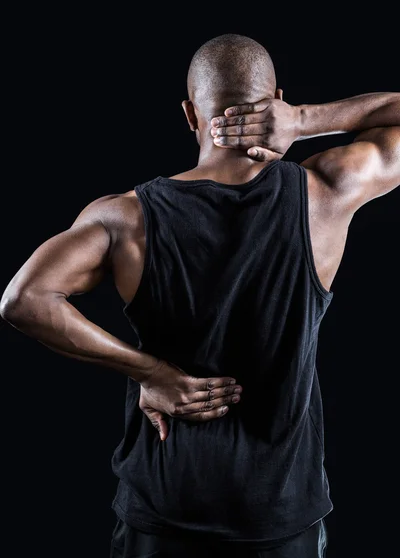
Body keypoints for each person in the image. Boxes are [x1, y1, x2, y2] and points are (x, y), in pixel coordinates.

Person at [1, 33, 399, 558]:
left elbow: (24, 299)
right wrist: (303, 120)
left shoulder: (126, 217)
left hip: (165, 512)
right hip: (280, 516)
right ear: (276, 95)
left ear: (190, 114)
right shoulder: (326, 193)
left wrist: (150, 372)